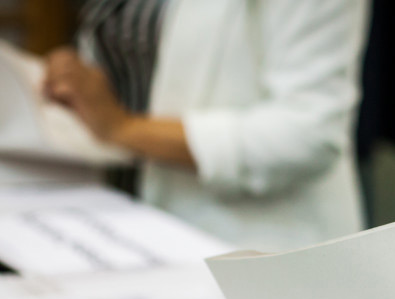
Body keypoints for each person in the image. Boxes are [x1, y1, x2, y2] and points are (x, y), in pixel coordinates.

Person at [42, 0, 368, 251]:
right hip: (113, 218)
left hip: (247, 241)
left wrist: (122, 127)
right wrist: (77, 80)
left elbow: (308, 134)